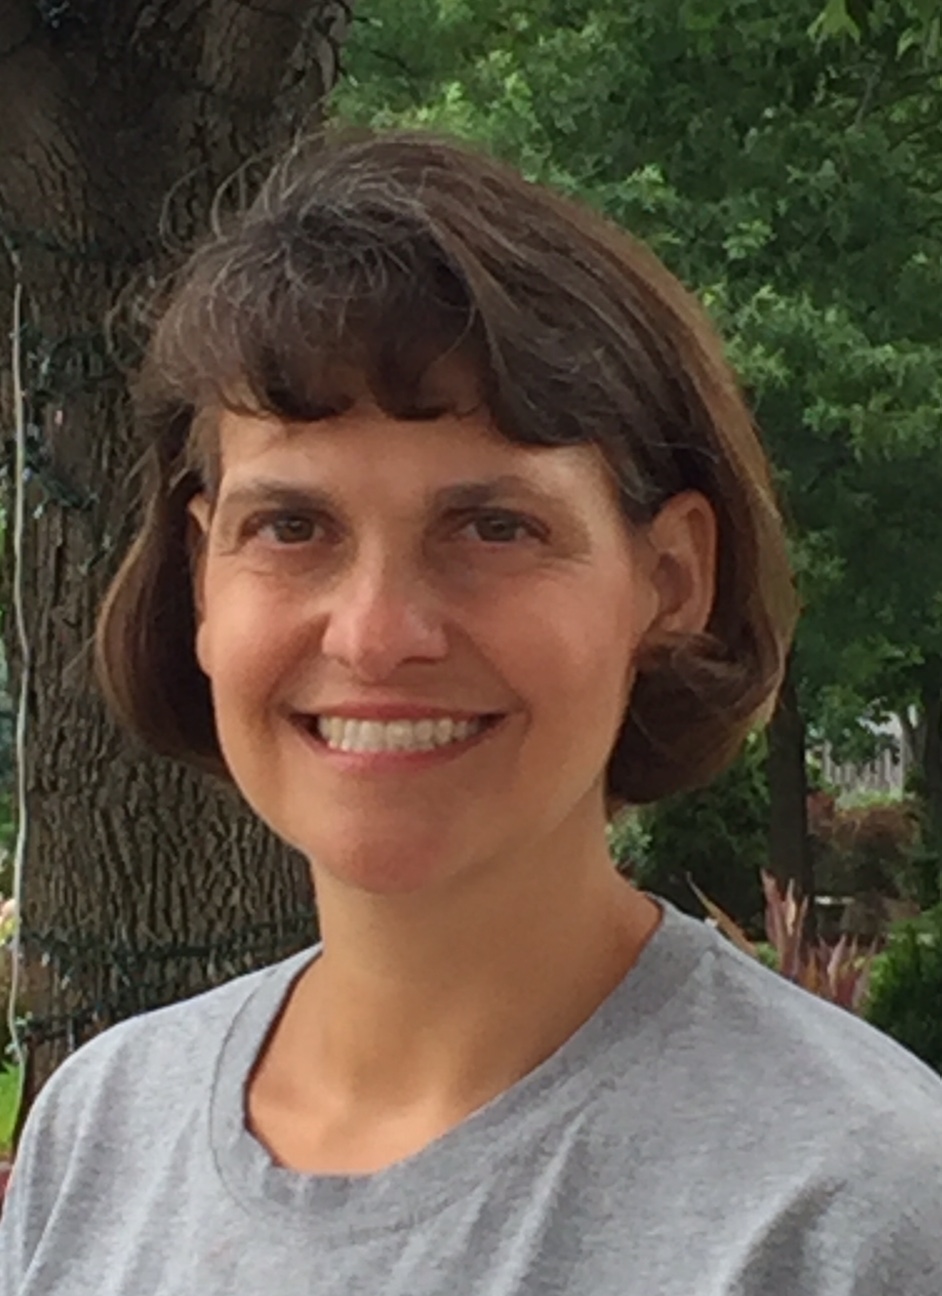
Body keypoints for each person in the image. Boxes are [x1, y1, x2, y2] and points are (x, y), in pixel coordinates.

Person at [2, 129, 940, 1296]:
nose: (377, 632)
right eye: (292, 527)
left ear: (670, 582)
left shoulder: (850, 1210)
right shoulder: (105, 1128)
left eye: (495, 526)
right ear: (203, 578)